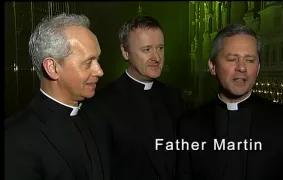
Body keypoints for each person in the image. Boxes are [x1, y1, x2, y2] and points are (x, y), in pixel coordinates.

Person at [176, 24, 283, 180]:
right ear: (213, 66)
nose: (241, 67)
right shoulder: (189, 126)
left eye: (249, 60)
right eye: (232, 59)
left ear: (258, 68)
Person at [5, 13, 106, 180]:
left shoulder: (97, 118)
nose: (100, 71)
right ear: (52, 68)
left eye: (98, 60)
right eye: (88, 62)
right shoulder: (14, 140)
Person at [83, 16, 183, 180]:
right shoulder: (101, 104)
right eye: (146, 50)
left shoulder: (173, 96)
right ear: (125, 52)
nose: (156, 57)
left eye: (160, 48)